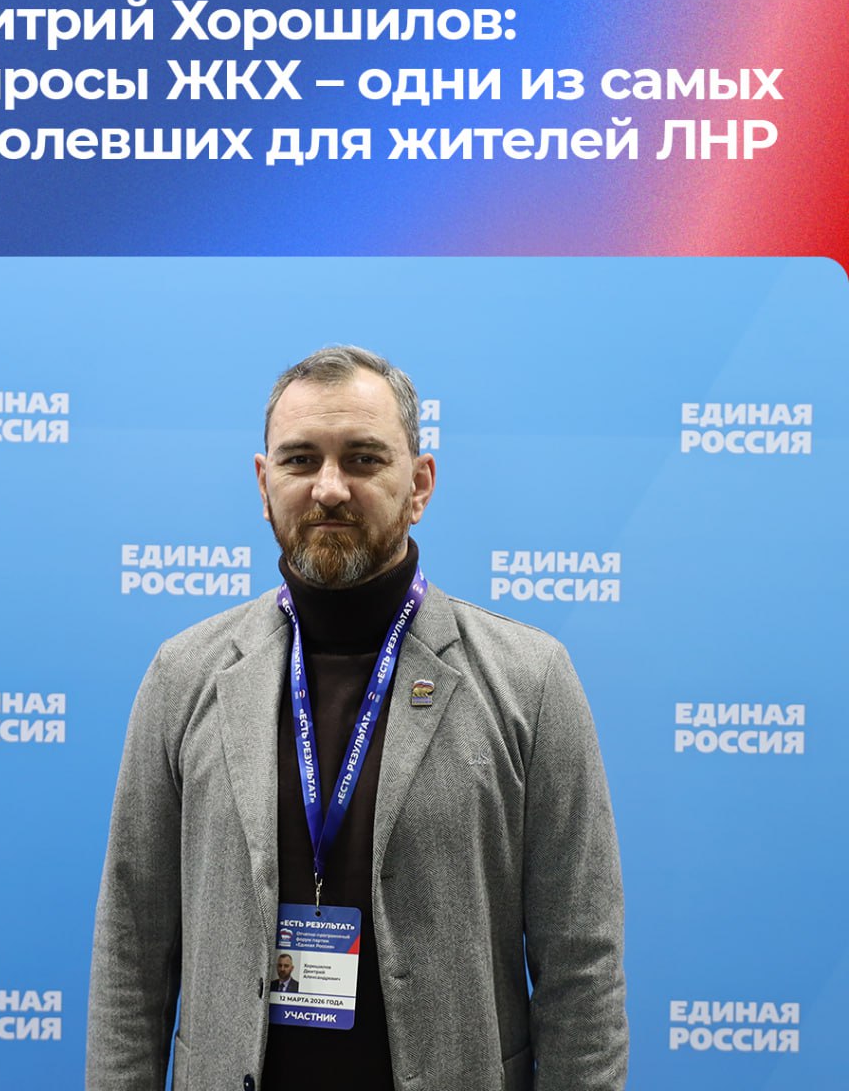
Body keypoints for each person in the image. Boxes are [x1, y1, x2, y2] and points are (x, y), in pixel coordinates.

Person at [87, 345, 627, 1091]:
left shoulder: (530, 681)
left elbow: (581, 967)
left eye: (364, 459)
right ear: (263, 483)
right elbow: (131, 948)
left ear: (420, 484)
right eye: (300, 460)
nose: (329, 488)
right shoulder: (183, 676)